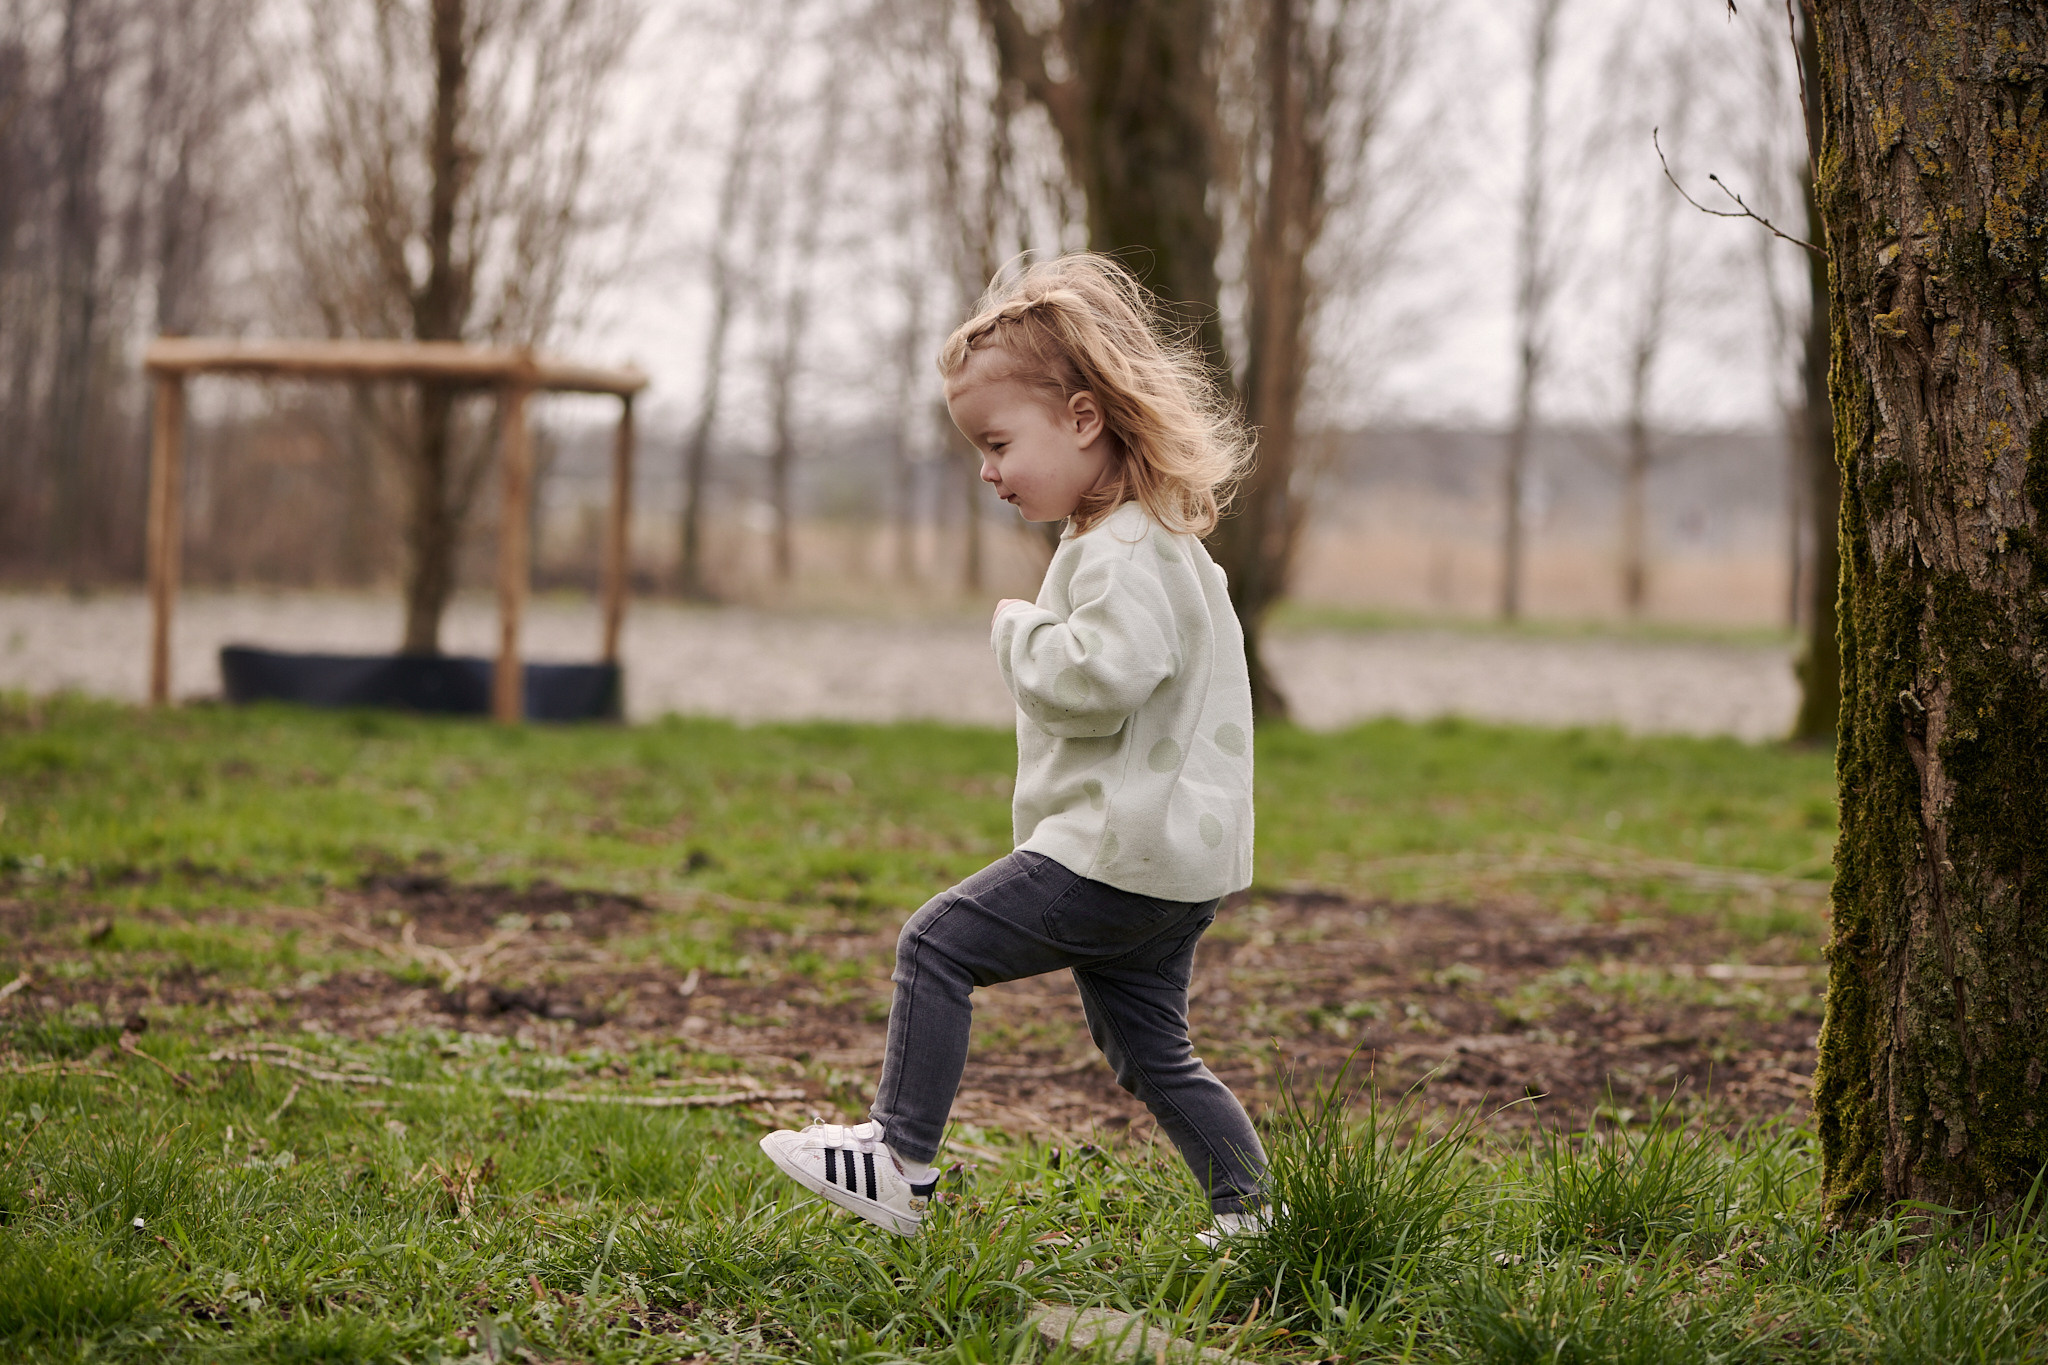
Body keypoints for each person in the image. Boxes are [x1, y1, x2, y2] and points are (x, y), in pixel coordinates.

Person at [759, 253, 1267, 1244]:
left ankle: (898, 1158)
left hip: (1113, 851)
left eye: (997, 443)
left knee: (937, 943)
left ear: (1082, 418)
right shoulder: (1157, 540)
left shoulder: (1122, 549)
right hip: (1170, 862)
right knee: (1154, 1052)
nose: (988, 470)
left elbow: (1098, 680)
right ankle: (1254, 1214)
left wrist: (1018, 632)